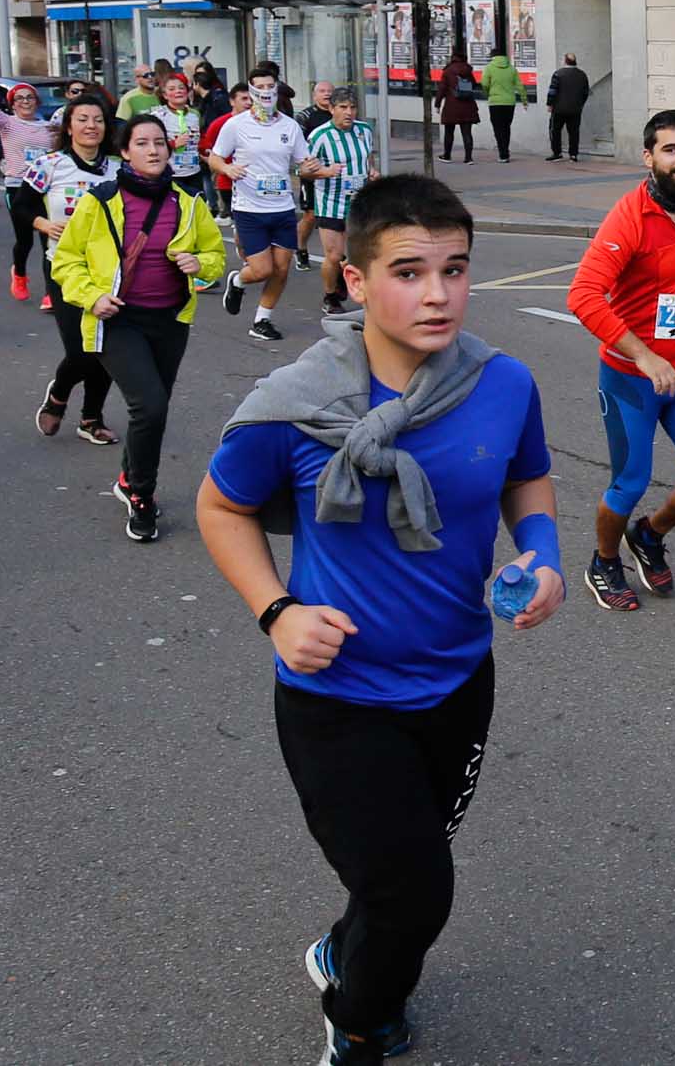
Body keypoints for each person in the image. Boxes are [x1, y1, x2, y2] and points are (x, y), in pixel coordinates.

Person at [195, 174, 565, 1066]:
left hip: (456, 682)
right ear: (355, 280)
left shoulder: (501, 383)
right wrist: (276, 609)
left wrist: (543, 553)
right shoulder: (296, 404)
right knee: (413, 893)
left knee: (400, 867)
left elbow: (527, 478)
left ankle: (343, 948)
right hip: (337, 695)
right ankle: (357, 1022)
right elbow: (219, 506)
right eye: (407, 271)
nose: (437, 293)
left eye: (455, 269)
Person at [566, 109, 675, 612]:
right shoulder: (630, 216)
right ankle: (604, 561)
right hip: (630, 378)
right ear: (649, 156)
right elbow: (583, 296)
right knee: (630, 481)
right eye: (671, 149)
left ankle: (649, 534)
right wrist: (643, 357)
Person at [50, 114, 225, 542]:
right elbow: (66, 261)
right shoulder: (100, 200)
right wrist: (92, 296)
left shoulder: (188, 203)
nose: (153, 150)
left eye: (160, 143)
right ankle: (142, 495)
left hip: (170, 319)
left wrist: (199, 264)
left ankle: (129, 478)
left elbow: (216, 255)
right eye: (142, 143)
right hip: (118, 319)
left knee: (154, 406)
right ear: (125, 152)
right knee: (149, 406)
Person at [25, 94, 120, 446]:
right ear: (69, 126)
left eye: (97, 119)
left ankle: (91, 418)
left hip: (109, 272)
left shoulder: (118, 169)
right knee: (81, 349)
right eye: (82, 119)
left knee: (105, 347)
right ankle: (59, 393)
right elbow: (20, 204)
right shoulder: (49, 165)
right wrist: (43, 224)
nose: (90, 126)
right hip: (64, 267)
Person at [212, 69, 311, 342]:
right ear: (252, 91)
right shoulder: (236, 125)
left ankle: (261, 320)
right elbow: (215, 157)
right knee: (262, 270)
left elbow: (304, 162)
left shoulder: (289, 126)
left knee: (281, 268)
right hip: (249, 208)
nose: (266, 91)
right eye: (260, 87)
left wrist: (315, 168)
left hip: (282, 208)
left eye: (271, 86)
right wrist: (227, 169)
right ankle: (239, 281)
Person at [0, 77, 62, 303]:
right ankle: (19, 274)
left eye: (29, 97)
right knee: (25, 240)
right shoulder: (8, 123)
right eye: (19, 99)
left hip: (44, 189)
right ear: (12, 104)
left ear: (37, 102)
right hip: (17, 187)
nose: (25, 102)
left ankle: (50, 292)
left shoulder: (50, 128)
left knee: (47, 240)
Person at [304, 87, 375, 316]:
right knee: (333, 256)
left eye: (352, 107)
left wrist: (371, 170)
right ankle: (330, 295)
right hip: (331, 203)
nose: (349, 112)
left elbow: (367, 156)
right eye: (343, 107)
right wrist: (325, 172)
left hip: (361, 204)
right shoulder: (319, 136)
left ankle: (354, 285)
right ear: (332, 109)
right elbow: (303, 170)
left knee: (361, 254)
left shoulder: (364, 130)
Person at [293, 81, 335, 272]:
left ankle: (337, 256)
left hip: (335, 173)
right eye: (322, 91)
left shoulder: (339, 114)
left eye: (329, 91)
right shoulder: (305, 117)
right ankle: (301, 249)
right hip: (312, 173)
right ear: (314, 95)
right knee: (311, 215)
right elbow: (297, 147)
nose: (326, 94)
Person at [201, 81, 251, 226]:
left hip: (253, 182)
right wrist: (219, 166)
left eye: (251, 99)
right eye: (244, 99)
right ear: (231, 101)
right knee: (239, 225)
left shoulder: (260, 123)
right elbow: (206, 147)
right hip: (228, 183)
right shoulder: (220, 123)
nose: (248, 103)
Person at [151, 73, 207, 202]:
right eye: (172, 89)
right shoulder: (158, 115)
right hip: (170, 172)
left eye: (181, 88)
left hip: (194, 171)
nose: (178, 91)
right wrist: (173, 144)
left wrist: (205, 149)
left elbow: (201, 138)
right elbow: (152, 144)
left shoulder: (194, 114)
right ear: (165, 95)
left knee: (196, 206)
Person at [480, 48, 526, 163]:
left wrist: (487, 94)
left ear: (493, 56)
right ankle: (505, 151)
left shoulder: (489, 68)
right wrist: (524, 100)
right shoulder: (512, 68)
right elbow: (520, 86)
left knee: (497, 128)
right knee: (506, 127)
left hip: (495, 102)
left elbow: (484, 84)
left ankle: (503, 153)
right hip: (510, 102)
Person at [545, 53, 590, 162]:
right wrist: (580, 104)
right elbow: (585, 92)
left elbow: (553, 90)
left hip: (559, 109)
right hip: (575, 109)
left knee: (555, 130)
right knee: (574, 132)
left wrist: (550, 104)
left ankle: (557, 153)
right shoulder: (582, 74)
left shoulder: (558, 74)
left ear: (565, 61)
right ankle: (573, 155)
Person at [435, 50, 478, 164]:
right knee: (467, 133)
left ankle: (447, 155)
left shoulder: (448, 71)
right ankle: (468, 158)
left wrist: (437, 104)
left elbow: (442, 89)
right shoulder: (468, 70)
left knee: (449, 132)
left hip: (452, 106)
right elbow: (474, 84)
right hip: (468, 105)